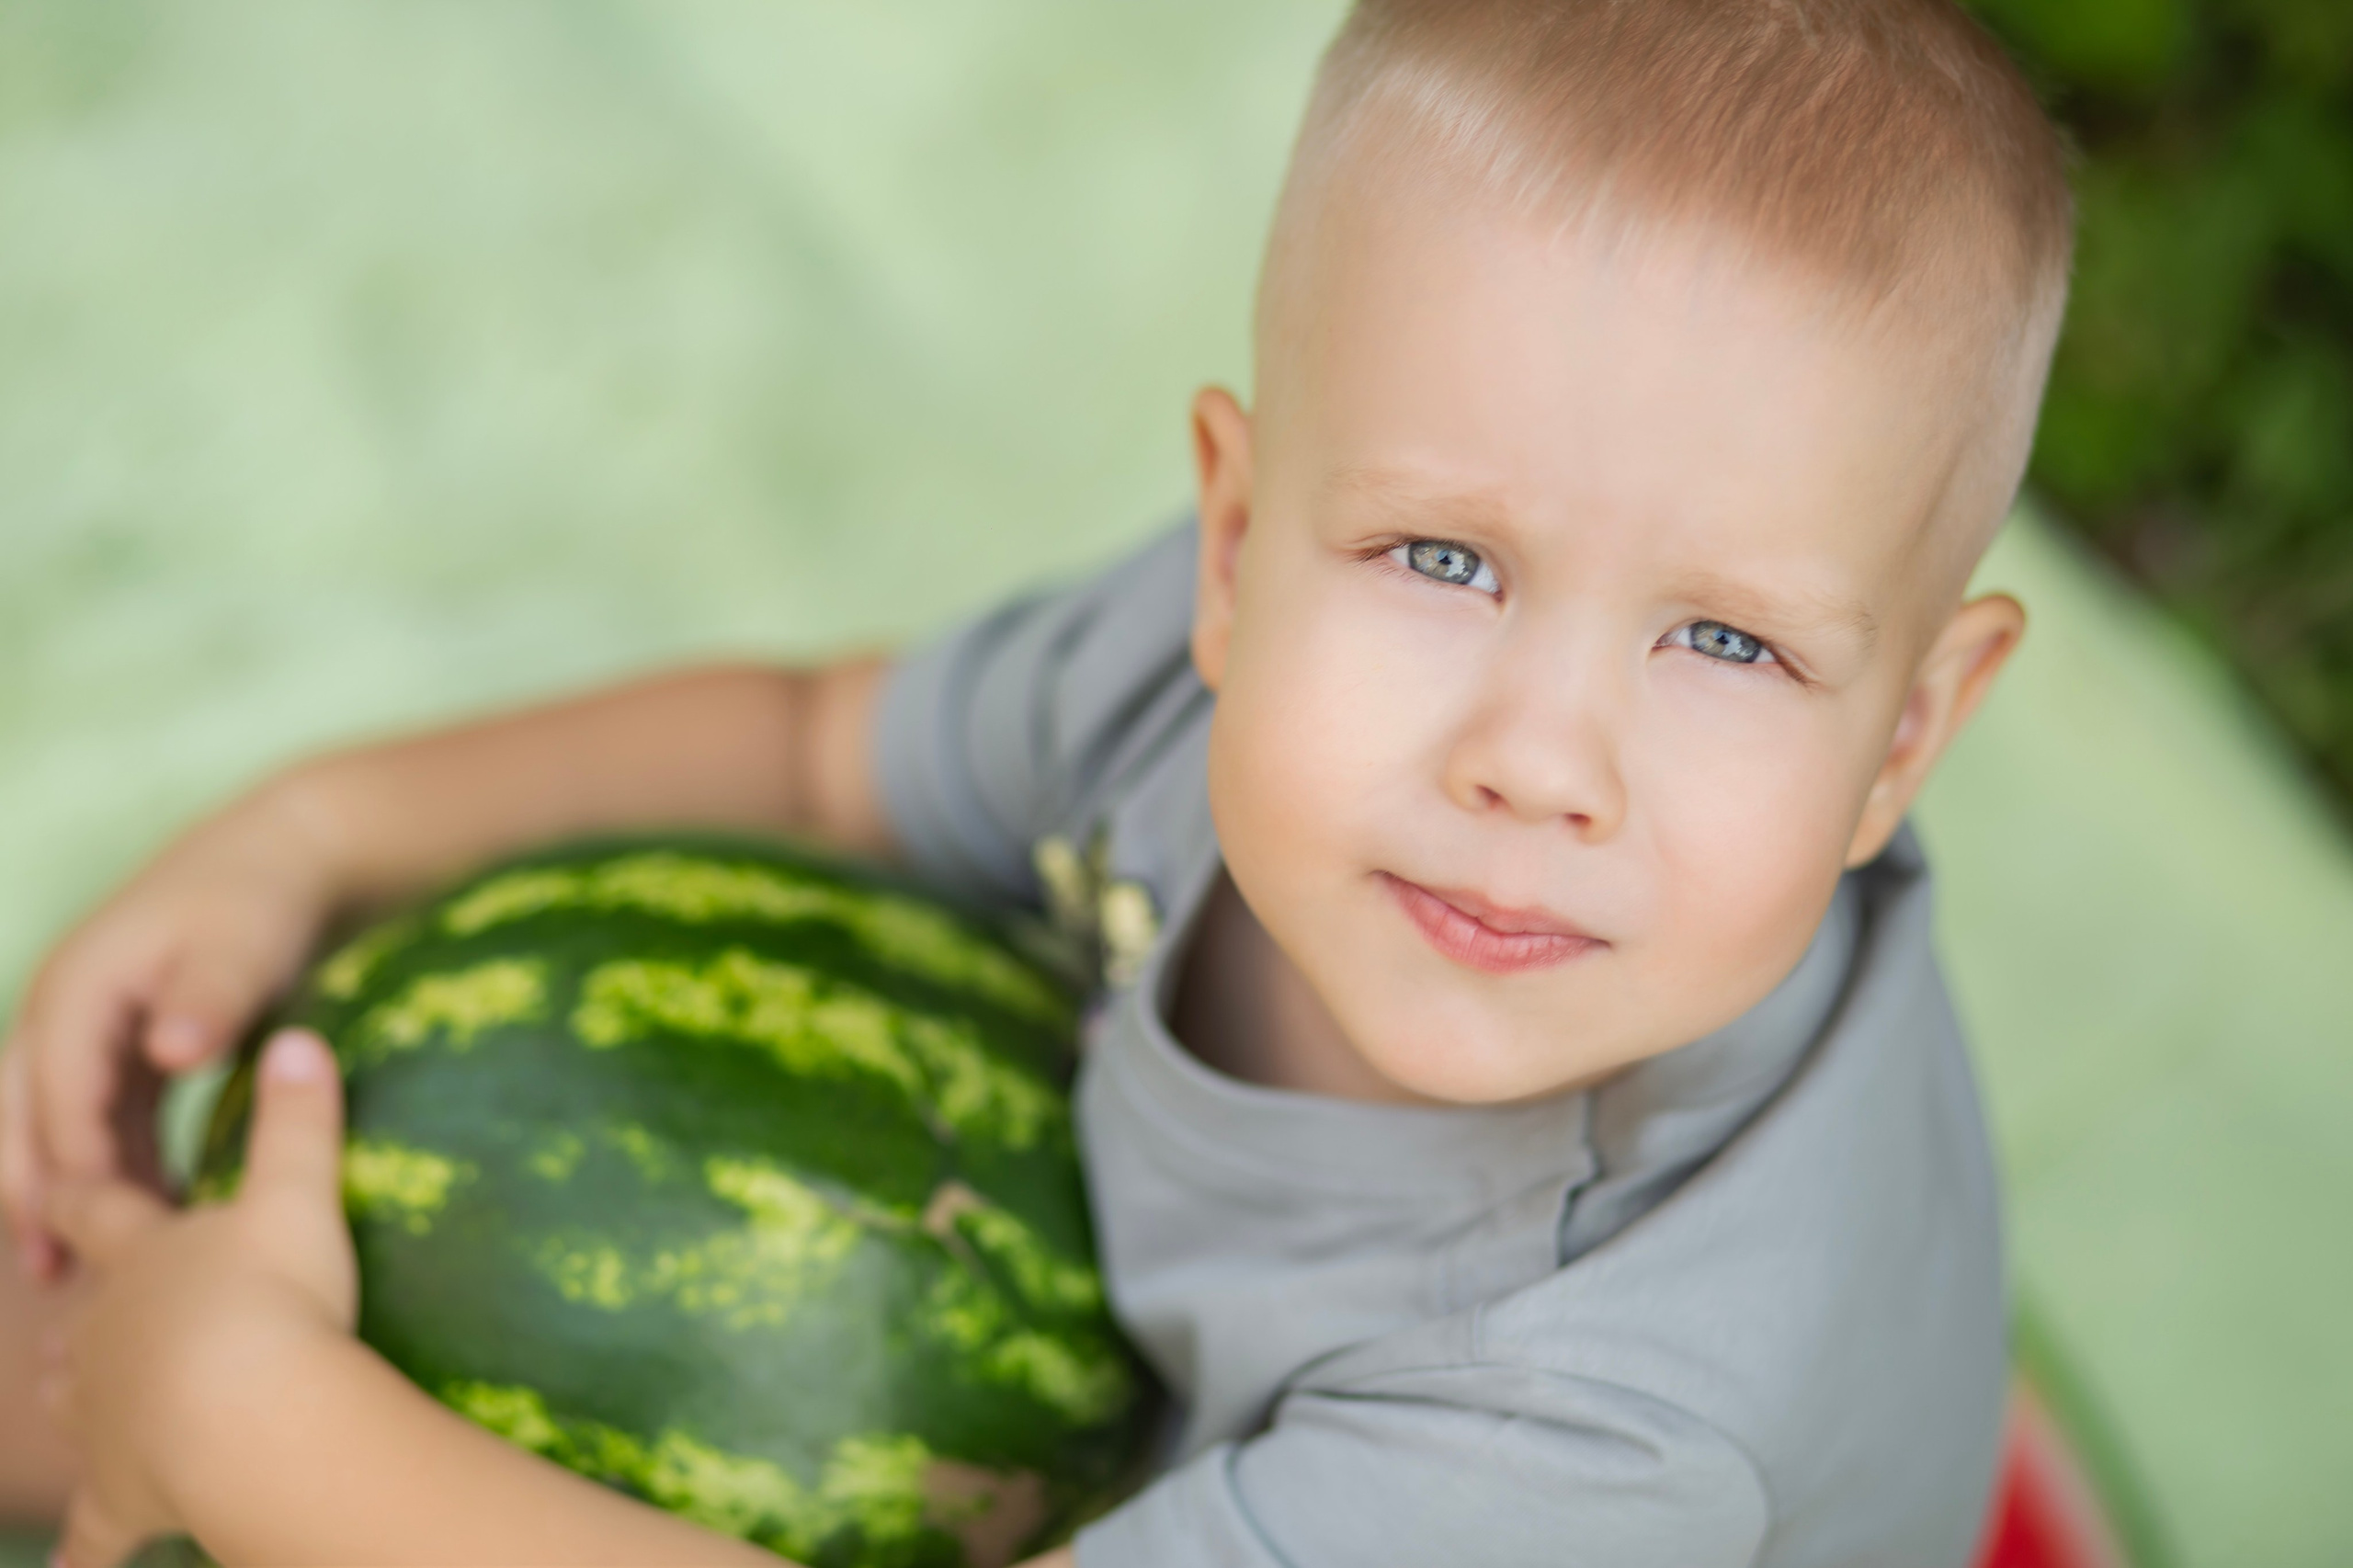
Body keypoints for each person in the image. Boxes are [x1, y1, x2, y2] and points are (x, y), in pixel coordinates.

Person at [0, 0, 2075, 1563]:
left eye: (1729, 642)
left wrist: (260, 1421)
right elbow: (813, 744)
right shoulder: (1211, 680)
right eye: (1445, 560)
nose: (1537, 760)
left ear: (1903, 738)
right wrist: (310, 836)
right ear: (1235, 546)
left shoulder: (1591, 1425)